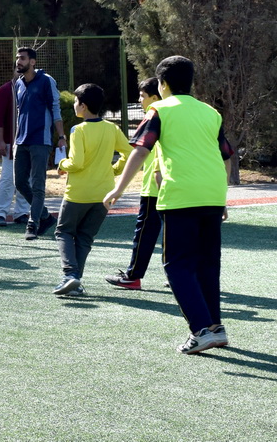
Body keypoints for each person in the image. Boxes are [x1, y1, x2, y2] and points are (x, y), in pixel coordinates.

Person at [104, 55, 233, 355]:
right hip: (212, 195)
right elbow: (226, 156)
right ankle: (216, 326)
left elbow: (140, 151)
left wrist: (118, 188)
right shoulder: (210, 112)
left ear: (162, 84)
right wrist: (223, 196)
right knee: (207, 264)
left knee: (176, 265)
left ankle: (201, 330)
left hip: (181, 196)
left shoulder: (158, 110)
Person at [52, 84, 132, 296]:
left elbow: (76, 163)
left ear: (84, 106)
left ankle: (70, 275)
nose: (75, 106)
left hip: (79, 193)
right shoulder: (112, 128)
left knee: (64, 232)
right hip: (104, 194)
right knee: (85, 237)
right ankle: (75, 282)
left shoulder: (78, 130)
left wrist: (62, 165)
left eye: (76, 102)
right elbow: (129, 153)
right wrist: (114, 170)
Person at [106, 78, 162, 290]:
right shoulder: (200, 112)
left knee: (145, 233)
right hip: (182, 187)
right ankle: (178, 274)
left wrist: (119, 188)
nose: (139, 100)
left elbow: (139, 151)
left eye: (142, 96)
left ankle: (133, 276)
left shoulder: (155, 113)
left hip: (155, 188)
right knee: (176, 234)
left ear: (155, 96)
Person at [13, 46, 67, 240]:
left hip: (40, 141)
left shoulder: (46, 81)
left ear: (33, 62)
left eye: (23, 58)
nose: (19, 61)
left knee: (37, 185)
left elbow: (55, 108)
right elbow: (20, 113)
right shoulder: (18, 83)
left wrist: (61, 137)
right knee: (19, 182)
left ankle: (32, 224)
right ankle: (45, 216)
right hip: (21, 141)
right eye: (18, 58)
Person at [0, 79, 31, 226]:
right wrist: (0, 140)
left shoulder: (34, 89)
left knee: (27, 180)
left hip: (30, 142)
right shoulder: (6, 90)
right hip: (10, 142)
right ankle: (0, 213)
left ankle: (21, 212)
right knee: (8, 178)